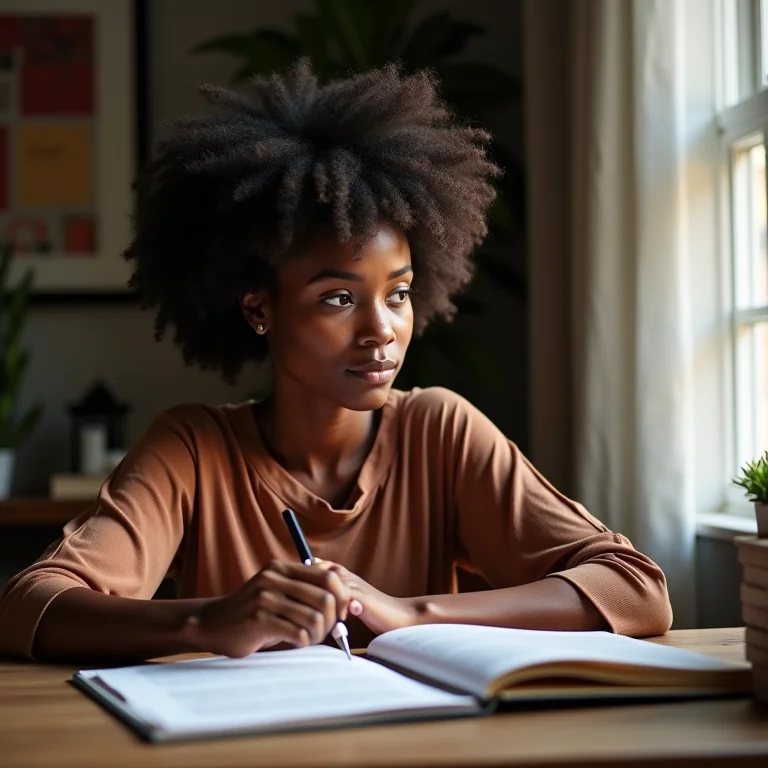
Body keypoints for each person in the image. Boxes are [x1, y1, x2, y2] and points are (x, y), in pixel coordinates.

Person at [0, 61, 672, 662]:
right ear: (260, 309)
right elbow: (30, 604)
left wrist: (409, 613)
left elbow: (635, 588)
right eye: (338, 298)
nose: (382, 330)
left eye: (399, 294)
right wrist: (208, 621)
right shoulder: (194, 452)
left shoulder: (439, 433)